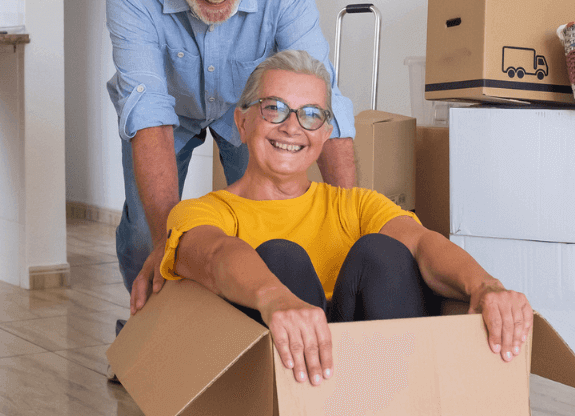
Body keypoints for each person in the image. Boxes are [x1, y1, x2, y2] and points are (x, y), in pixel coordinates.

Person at [146, 50, 533, 387]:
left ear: (325, 134)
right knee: (281, 257)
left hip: (370, 379)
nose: (292, 126)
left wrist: (485, 285)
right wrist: (276, 300)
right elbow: (214, 255)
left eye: (310, 115)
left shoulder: (356, 206)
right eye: (274, 108)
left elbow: (422, 242)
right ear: (242, 123)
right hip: (279, 390)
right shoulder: (202, 211)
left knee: (383, 250)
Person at [105, 0, 356, 319]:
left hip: (252, 110)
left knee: (265, 219)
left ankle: (246, 329)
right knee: (151, 234)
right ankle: (151, 328)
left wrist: (349, 215)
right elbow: (149, 113)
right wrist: (170, 248)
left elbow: (321, 94)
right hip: (169, 114)